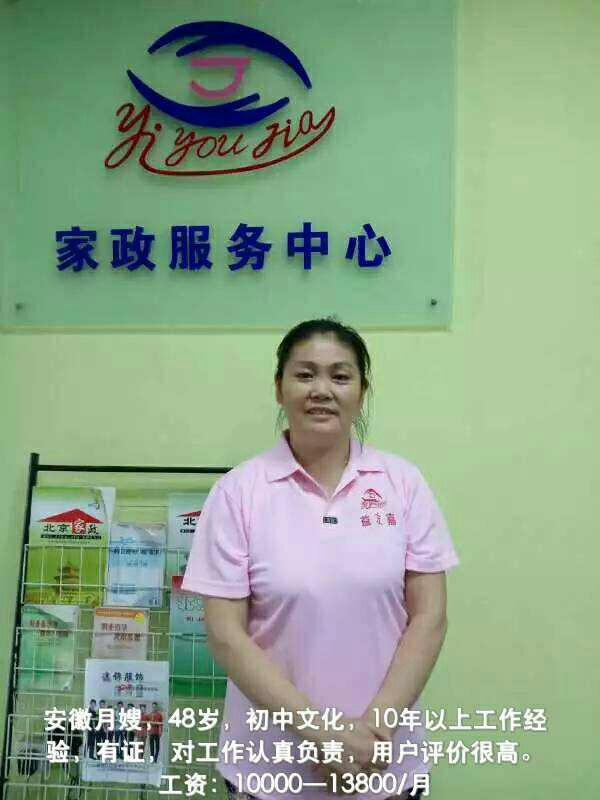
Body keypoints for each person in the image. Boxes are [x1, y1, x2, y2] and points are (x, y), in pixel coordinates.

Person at [182, 318, 460, 800]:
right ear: (279, 388)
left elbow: (429, 618)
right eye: (305, 374)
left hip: (384, 764)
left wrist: (372, 735)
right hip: (270, 771)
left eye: (340, 376)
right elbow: (226, 635)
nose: (322, 390)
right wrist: (324, 735)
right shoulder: (237, 492)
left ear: (362, 392)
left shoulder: (403, 483)